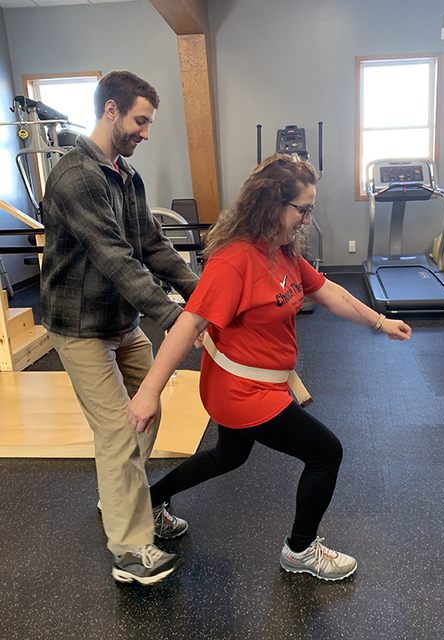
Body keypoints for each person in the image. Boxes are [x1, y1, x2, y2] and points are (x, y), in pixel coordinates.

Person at [127, 152, 411, 581]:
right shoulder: (234, 261)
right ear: (272, 204)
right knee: (325, 453)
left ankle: (152, 498)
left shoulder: (280, 252)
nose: (307, 219)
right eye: (303, 209)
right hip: (242, 391)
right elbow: (188, 325)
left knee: (229, 456)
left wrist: (379, 321)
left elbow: (327, 291)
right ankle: (300, 550)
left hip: (263, 385)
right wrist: (148, 393)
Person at [41, 70, 199, 585]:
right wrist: (178, 319)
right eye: (140, 120)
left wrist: (202, 296)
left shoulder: (126, 175)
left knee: (148, 413)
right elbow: (117, 260)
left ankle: (121, 497)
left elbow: (151, 246)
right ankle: (131, 552)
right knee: (118, 428)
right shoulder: (76, 177)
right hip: (81, 328)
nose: (145, 132)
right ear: (111, 110)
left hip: (122, 323)